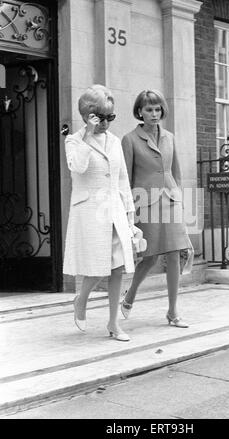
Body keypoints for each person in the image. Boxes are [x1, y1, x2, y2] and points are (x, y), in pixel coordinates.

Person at [63, 84, 136, 342]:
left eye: (110, 117)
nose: (106, 123)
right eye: (100, 117)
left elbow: (122, 180)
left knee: (118, 268)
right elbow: (78, 168)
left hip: (114, 210)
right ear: (86, 115)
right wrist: (87, 134)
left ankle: (113, 324)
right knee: (98, 268)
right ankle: (80, 301)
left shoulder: (114, 141)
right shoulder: (73, 140)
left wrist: (130, 217)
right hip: (90, 213)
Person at [120, 89, 194, 328]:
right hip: (144, 202)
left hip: (170, 200)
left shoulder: (169, 137)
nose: (154, 114)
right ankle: (130, 295)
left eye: (157, 109)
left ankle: (173, 312)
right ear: (139, 111)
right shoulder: (129, 139)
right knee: (149, 257)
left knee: (174, 255)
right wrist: (128, 211)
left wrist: (179, 200)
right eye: (149, 109)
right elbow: (126, 179)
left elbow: (176, 173)